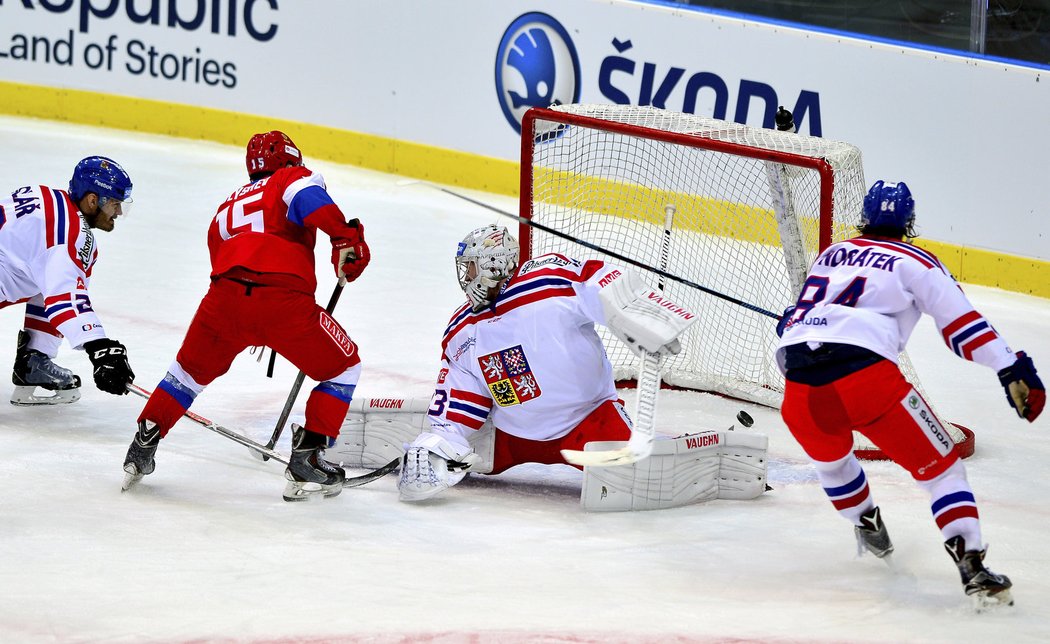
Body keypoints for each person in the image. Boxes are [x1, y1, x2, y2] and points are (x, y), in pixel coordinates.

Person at [776, 179, 1045, 609]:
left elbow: (796, 314)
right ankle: (971, 564)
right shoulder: (917, 260)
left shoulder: (831, 254)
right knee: (945, 472)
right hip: (865, 380)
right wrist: (1008, 364)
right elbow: (960, 326)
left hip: (798, 387)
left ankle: (867, 527)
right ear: (909, 223)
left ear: (864, 218)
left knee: (834, 463)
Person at [121, 131, 371, 502]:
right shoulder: (291, 178)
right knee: (343, 366)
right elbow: (309, 198)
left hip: (223, 300)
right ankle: (309, 456)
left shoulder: (225, 206)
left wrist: (249, 317)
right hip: (283, 302)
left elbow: (221, 261)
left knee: (187, 374)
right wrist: (344, 237)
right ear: (290, 159)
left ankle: (145, 441)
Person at [397, 224, 697, 502]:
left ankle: (678, 452)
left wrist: (644, 316)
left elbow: (599, 280)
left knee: (644, 476)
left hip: (588, 421)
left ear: (494, 264)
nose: (466, 276)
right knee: (455, 445)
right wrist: (439, 443)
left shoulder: (546, 280)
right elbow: (460, 403)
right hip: (510, 435)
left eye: (472, 267)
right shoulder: (461, 329)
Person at [0, 156, 137, 406]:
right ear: (92, 200)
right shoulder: (69, 237)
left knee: (46, 279)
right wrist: (100, 348)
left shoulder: (44, 194)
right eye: (115, 204)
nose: (117, 212)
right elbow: (67, 300)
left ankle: (34, 359)